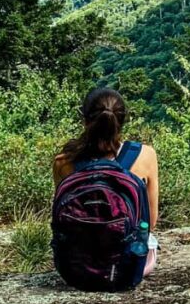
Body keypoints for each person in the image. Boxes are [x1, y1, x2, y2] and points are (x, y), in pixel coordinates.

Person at [53, 88, 160, 276]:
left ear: (84, 120)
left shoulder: (63, 162)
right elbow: (150, 221)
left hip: (77, 266)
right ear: (122, 121)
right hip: (128, 266)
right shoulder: (145, 155)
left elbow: (61, 222)